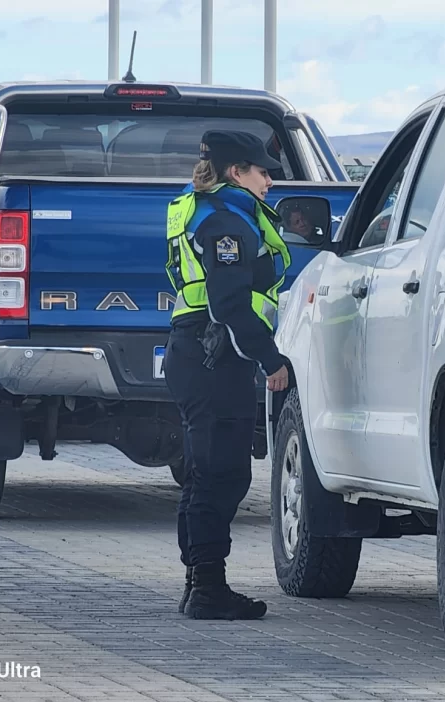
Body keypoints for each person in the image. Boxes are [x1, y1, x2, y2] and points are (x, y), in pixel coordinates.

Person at [164, 129, 290, 620]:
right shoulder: (227, 221)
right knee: (220, 474)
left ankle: (200, 580)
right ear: (236, 172)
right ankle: (207, 588)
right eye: (263, 172)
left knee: (204, 474)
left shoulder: (208, 211)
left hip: (196, 352)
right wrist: (270, 358)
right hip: (215, 355)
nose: (270, 182)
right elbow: (229, 302)